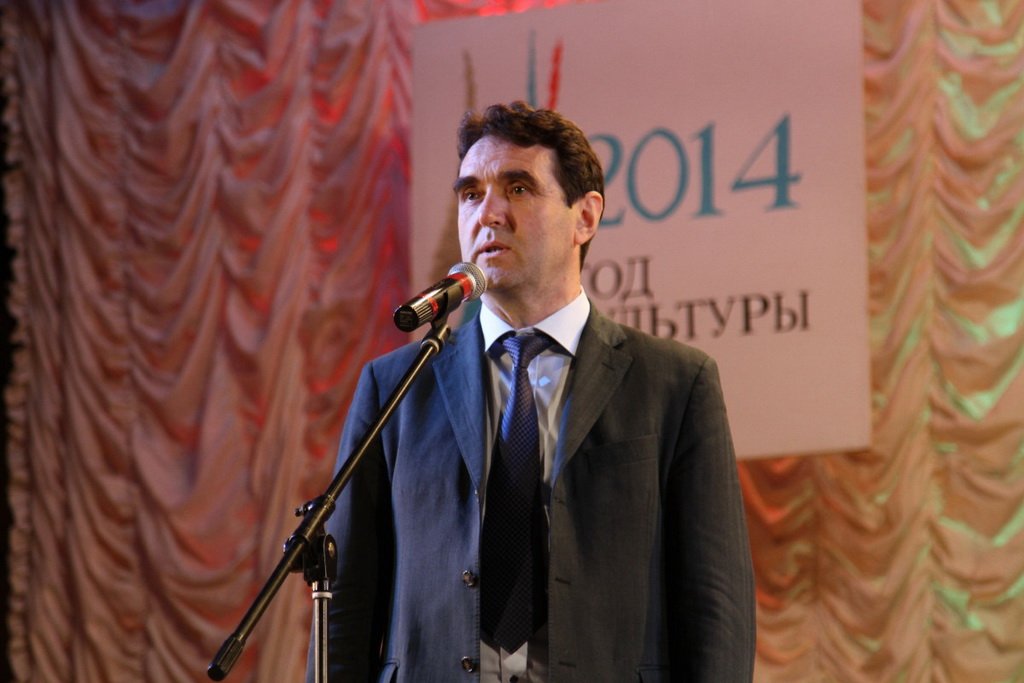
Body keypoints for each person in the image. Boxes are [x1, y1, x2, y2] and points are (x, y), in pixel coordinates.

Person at [308, 101, 755, 682]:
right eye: (471, 194)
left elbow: (717, 608)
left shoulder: (675, 384)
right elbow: (344, 610)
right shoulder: (396, 388)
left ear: (585, 217)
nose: (488, 213)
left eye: (517, 189)